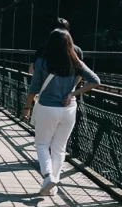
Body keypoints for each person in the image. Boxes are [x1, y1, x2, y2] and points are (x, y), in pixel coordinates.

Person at [22, 29, 100, 196]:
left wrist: (26, 108)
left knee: (42, 144)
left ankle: (48, 176)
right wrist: (73, 93)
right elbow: (95, 81)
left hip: (47, 108)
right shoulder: (76, 62)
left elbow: (33, 89)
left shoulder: (42, 62)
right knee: (59, 147)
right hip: (68, 109)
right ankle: (52, 185)